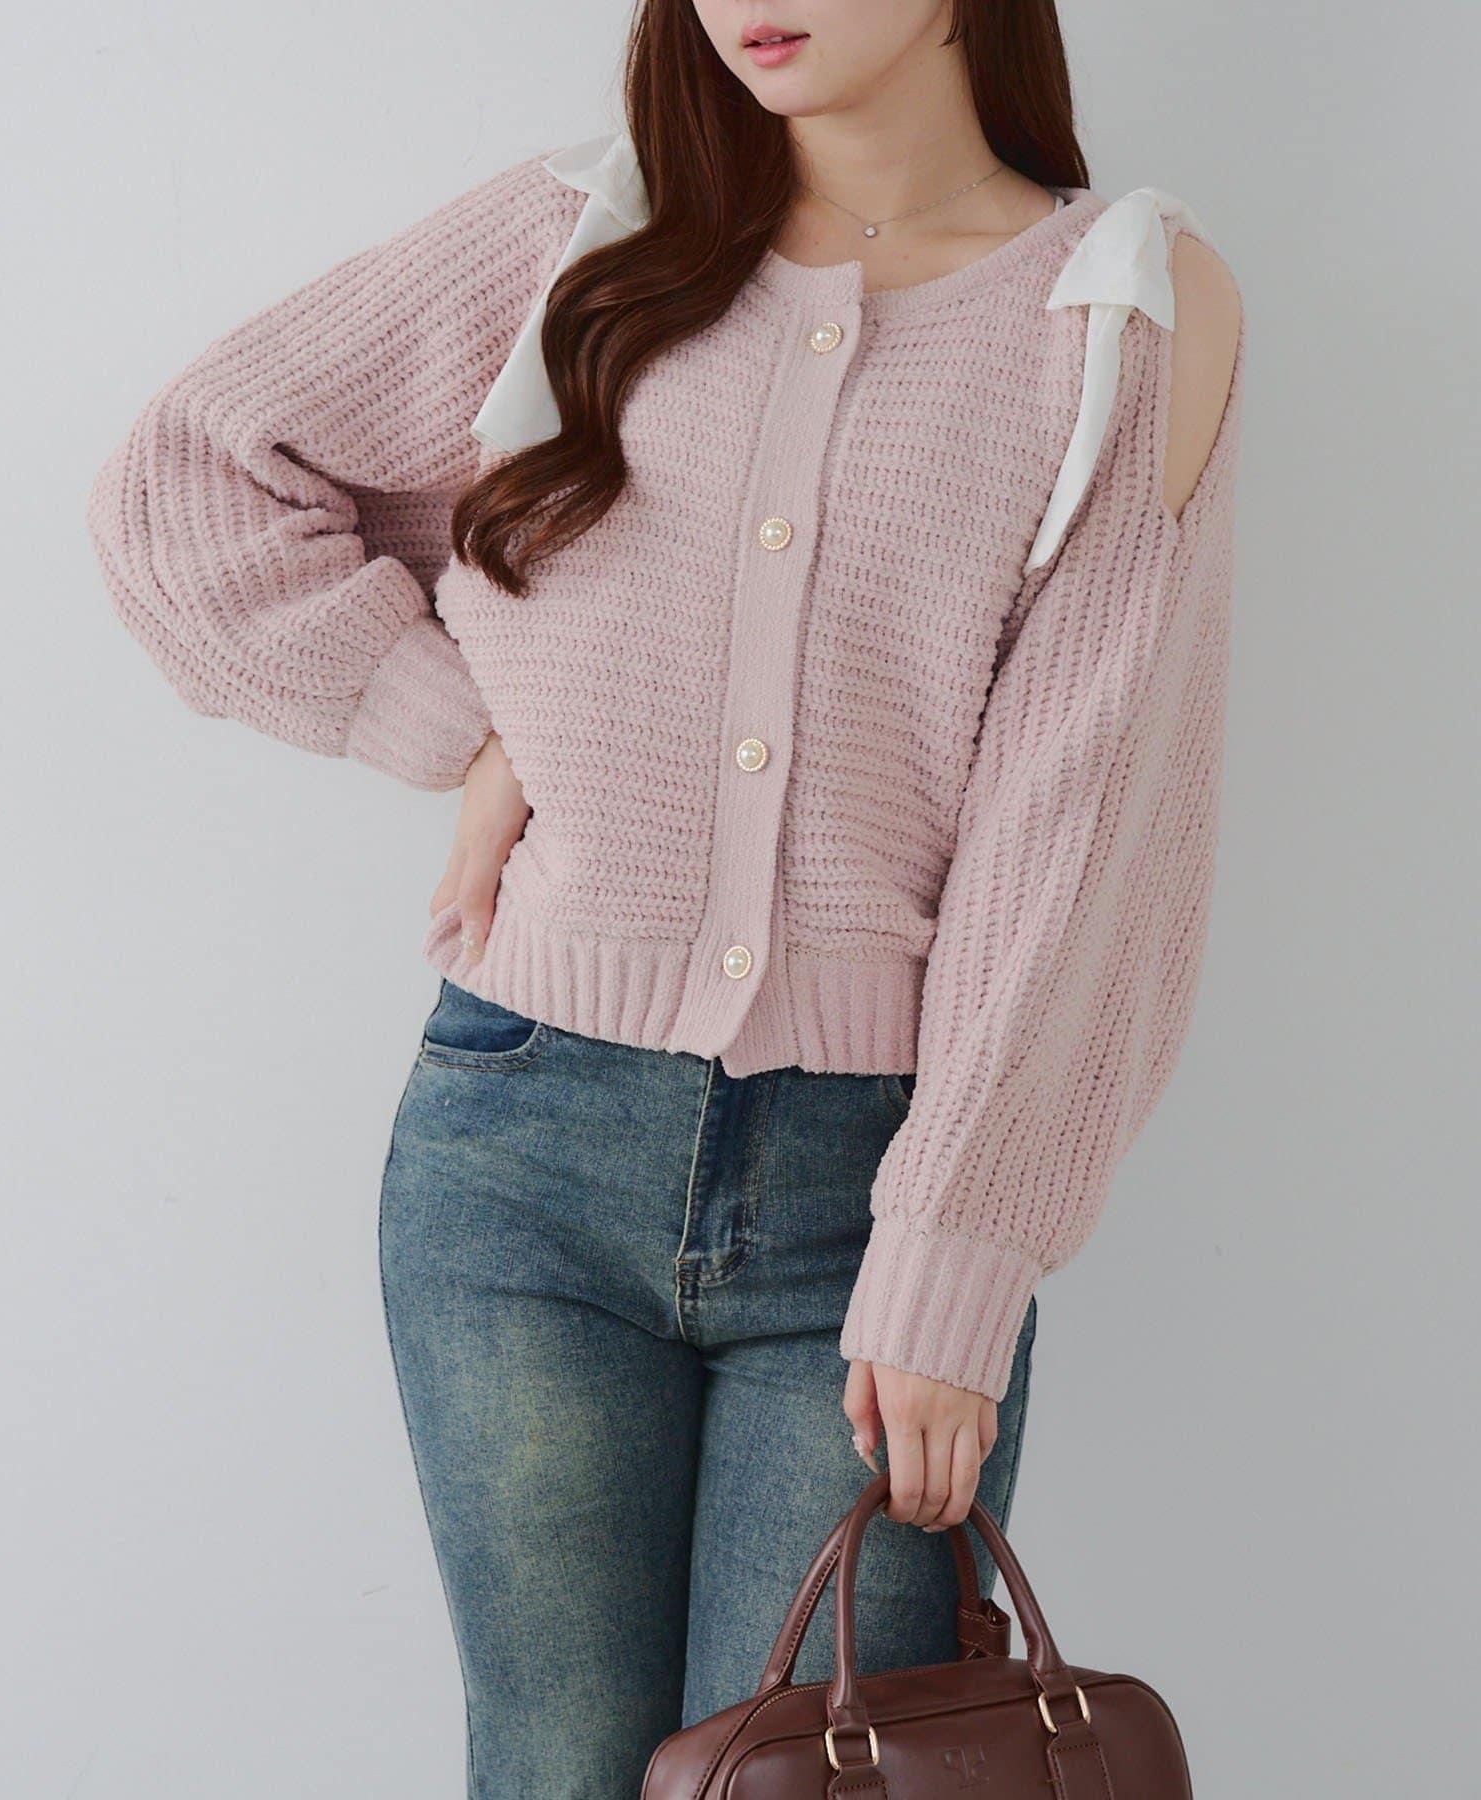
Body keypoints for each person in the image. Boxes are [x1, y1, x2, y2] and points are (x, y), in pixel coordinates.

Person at [85, 1, 1244, 1791]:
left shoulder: (1121, 314)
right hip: (519, 1155)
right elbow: (190, 480)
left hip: (878, 1190)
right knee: (554, 1770)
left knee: (816, 1775)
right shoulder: (581, 238)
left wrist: (960, 1249)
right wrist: (463, 731)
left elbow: (1085, 837)